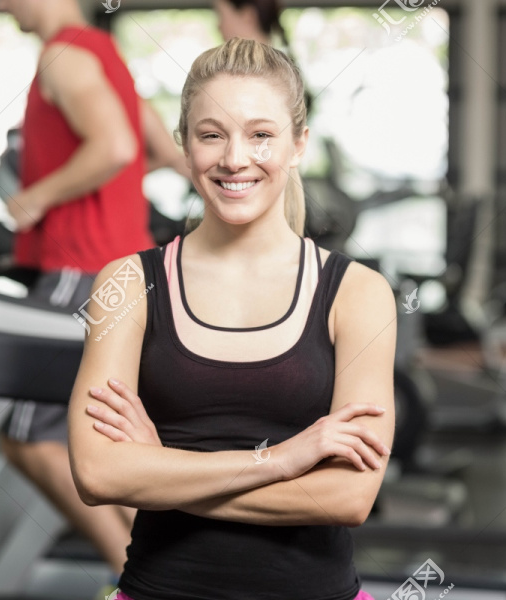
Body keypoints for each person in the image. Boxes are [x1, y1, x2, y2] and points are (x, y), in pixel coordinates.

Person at [68, 38, 395, 600]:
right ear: (185, 144)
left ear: (298, 145)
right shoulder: (127, 284)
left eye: (261, 135)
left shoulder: (358, 294)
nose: (234, 159)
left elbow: (346, 499)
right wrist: (285, 459)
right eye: (211, 134)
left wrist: (158, 471)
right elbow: (98, 476)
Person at [0, 1, 187, 597]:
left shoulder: (62, 54)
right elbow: (160, 148)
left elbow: (117, 147)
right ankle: (165, 575)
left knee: (27, 437)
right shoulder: (105, 55)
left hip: (82, 270)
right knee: (102, 432)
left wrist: (40, 196)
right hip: (126, 266)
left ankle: (139, 581)